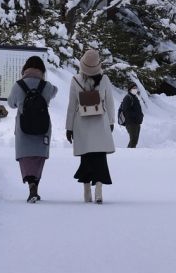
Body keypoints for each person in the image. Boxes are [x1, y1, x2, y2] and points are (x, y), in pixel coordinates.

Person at [67, 46, 116, 202]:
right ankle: (99, 191)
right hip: (100, 123)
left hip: (82, 124)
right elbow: (110, 103)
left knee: (86, 158)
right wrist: (111, 122)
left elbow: (71, 106)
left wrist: (68, 128)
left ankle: (87, 192)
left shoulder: (75, 80)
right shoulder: (105, 79)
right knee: (100, 158)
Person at [7, 54, 57, 202]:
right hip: (43, 127)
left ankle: (31, 186)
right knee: (38, 158)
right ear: (42, 70)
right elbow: (55, 91)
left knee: (27, 158)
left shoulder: (18, 85)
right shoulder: (46, 86)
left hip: (24, 128)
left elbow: (10, 103)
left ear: (25, 69)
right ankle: (36, 185)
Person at [118, 84, 144, 148]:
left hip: (137, 122)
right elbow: (126, 110)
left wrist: (141, 115)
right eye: (134, 88)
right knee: (133, 140)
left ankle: (132, 153)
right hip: (131, 122)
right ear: (130, 89)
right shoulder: (128, 97)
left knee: (135, 140)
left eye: (136, 88)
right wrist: (135, 116)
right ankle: (129, 153)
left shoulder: (135, 97)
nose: (135, 89)